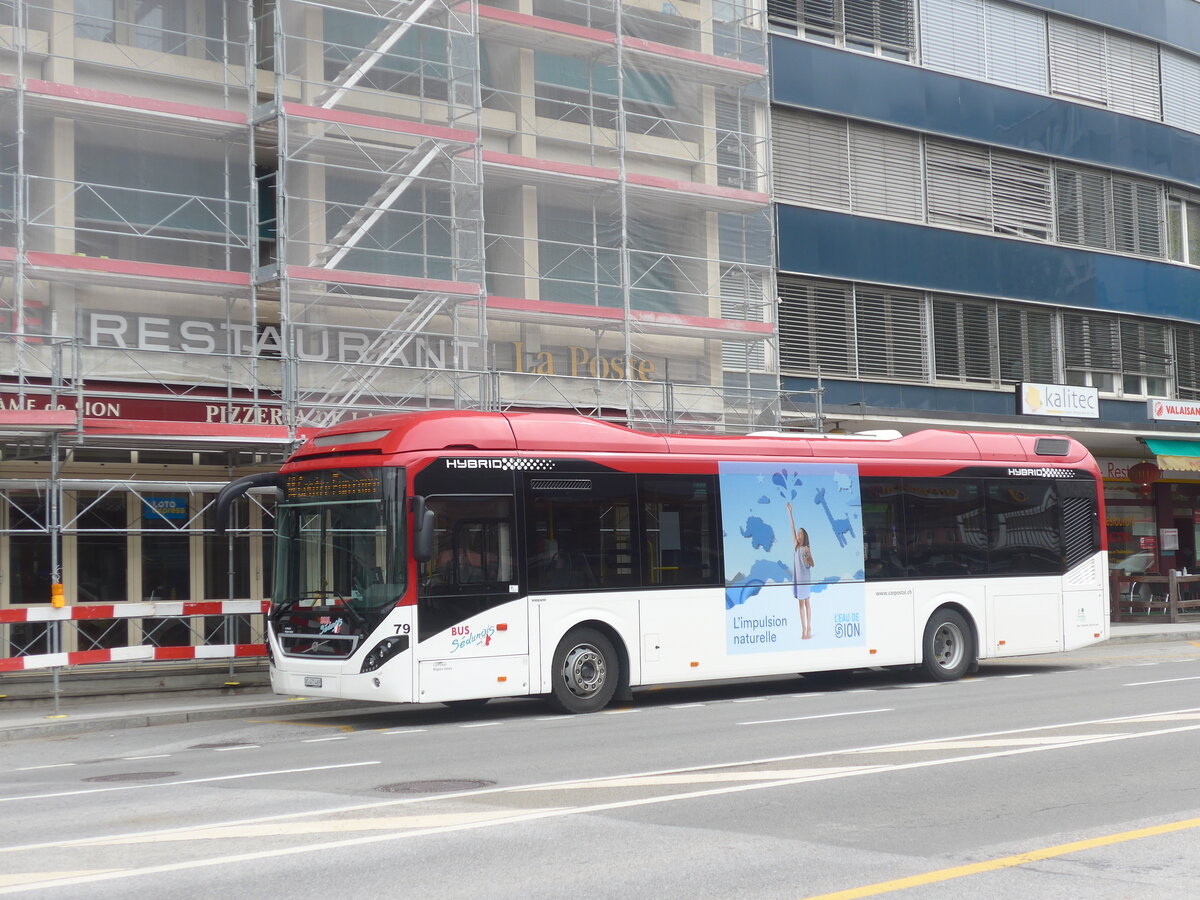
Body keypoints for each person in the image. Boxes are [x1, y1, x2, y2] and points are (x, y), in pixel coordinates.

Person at [786, 502, 815, 639]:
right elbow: (792, 527)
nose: (798, 535)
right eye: (798, 533)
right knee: (800, 604)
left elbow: (812, 563)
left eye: (800, 533)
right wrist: (790, 512)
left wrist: (807, 560)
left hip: (805, 577)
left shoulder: (807, 548)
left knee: (807, 603)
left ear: (804, 536)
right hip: (798, 578)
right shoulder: (796, 547)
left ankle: (809, 628)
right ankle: (803, 629)